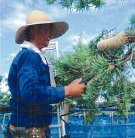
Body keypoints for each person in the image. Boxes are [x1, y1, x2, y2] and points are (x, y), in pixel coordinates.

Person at [7, 10, 86, 138]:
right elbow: (30, 92)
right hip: (30, 131)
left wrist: (68, 89)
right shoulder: (30, 56)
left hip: (28, 128)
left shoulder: (31, 56)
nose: (51, 34)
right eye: (48, 30)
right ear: (36, 30)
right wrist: (67, 90)